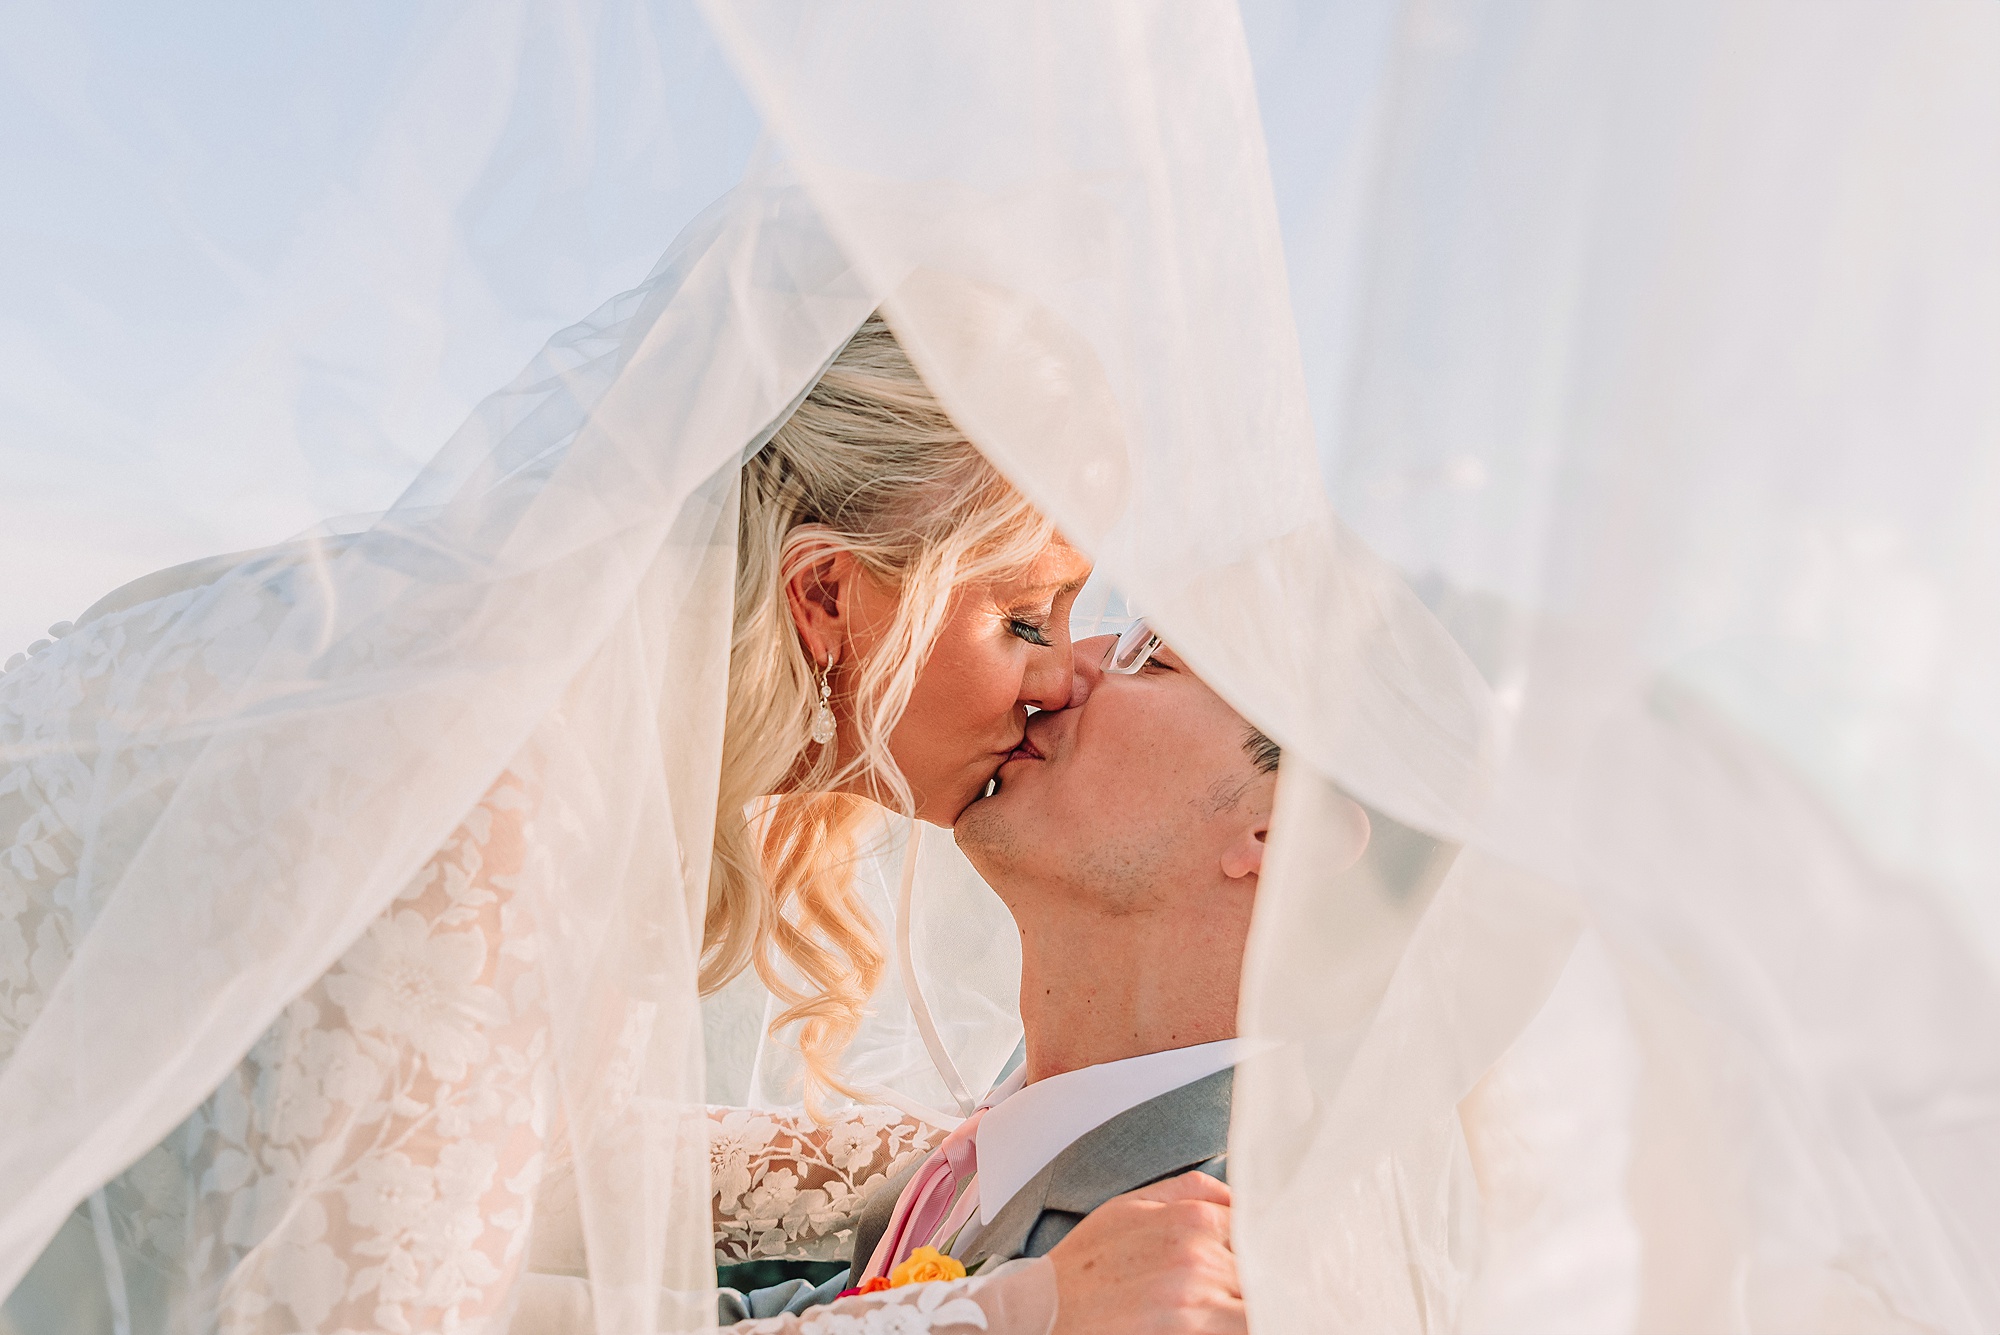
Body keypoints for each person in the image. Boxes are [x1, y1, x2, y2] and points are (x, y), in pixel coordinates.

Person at [0, 302, 1236, 1334]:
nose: (1064, 675)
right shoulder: (489, 793)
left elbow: (454, 1155)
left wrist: (957, 1161)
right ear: (826, 597)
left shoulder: (501, 684)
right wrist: (999, 1315)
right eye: (1021, 618)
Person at [716, 622, 1372, 1330]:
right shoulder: (984, 1162)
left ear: (1288, 831)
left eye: (1152, 658)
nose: (1058, 675)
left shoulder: (1237, 1270)